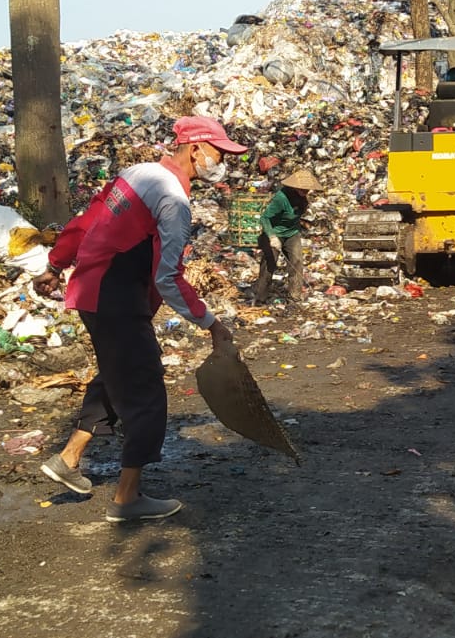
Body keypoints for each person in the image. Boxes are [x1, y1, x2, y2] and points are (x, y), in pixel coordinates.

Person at [33, 115, 245, 522]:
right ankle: (127, 499)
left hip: (91, 292)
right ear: (196, 148)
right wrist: (212, 325)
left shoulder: (137, 174)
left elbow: (83, 224)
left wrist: (55, 266)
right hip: (118, 298)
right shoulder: (174, 202)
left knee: (117, 374)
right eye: (219, 152)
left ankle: (68, 457)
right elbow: (168, 277)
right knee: (145, 389)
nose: (222, 162)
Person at [252, 169, 322, 304]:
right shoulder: (281, 198)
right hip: (275, 232)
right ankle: (260, 297)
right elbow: (265, 218)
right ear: (295, 186)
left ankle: (294, 296)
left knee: (296, 262)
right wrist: (272, 237)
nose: (305, 191)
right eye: (303, 188)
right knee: (269, 265)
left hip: (292, 233)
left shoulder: (303, 198)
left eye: (307, 189)